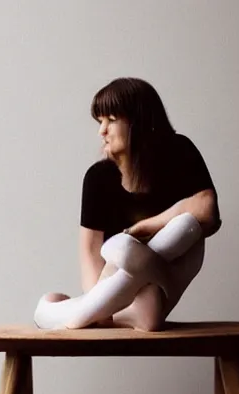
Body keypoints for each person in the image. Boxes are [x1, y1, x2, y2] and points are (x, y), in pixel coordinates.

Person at [34, 77, 221, 331]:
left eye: (111, 120)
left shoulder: (180, 153)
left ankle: (77, 312)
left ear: (138, 122)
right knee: (124, 256)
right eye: (100, 122)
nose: (102, 131)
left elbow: (207, 210)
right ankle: (128, 314)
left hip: (168, 277)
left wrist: (142, 229)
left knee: (178, 230)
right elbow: (90, 251)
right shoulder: (98, 178)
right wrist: (102, 308)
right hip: (114, 279)